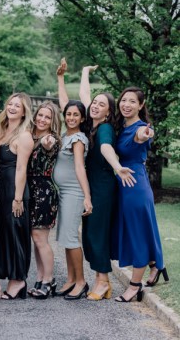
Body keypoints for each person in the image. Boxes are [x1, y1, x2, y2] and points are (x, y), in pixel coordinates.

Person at [57, 58, 134, 300]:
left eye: (101, 104)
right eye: (95, 103)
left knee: (96, 233)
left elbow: (105, 149)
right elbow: (76, 98)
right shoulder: (91, 122)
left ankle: (102, 281)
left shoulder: (104, 129)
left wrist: (117, 166)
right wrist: (83, 72)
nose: (95, 106)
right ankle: (102, 280)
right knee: (91, 232)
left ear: (109, 111)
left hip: (101, 187)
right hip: (92, 185)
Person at [112, 87, 168, 302]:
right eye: (123, 100)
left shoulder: (140, 128)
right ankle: (156, 265)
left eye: (132, 101)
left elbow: (142, 135)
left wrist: (145, 134)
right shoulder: (120, 126)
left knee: (138, 234)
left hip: (134, 186)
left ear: (141, 105)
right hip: (123, 186)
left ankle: (135, 286)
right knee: (143, 230)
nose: (126, 104)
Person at [0, 93, 34, 300]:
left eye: (17, 105)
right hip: (1, 191)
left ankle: (18, 280)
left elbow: (21, 169)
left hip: (14, 192)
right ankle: (12, 278)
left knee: (16, 236)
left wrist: (17, 199)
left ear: (24, 111)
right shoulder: (1, 130)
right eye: (10, 103)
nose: (12, 107)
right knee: (6, 235)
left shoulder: (24, 136)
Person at [52, 99, 91, 300]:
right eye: (68, 114)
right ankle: (70, 279)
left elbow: (78, 167)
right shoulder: (65, 135)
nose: (71, 118)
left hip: (74, 192)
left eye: (76, 115)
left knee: (71, 237)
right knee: (66, 238)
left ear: (82, 118)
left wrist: (87, 197)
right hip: (64, 192)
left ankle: (81, 282)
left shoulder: (78, 139)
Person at [27, 101, 61, 299]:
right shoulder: (31, 135)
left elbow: (49, 147)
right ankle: (41, 278)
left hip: (44, 191)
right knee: (36, 239)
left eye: (47, 117)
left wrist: (47, 144)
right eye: (40, 115)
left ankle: (48, 281)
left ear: (52, 121)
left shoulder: (50, 139)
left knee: (41, 239)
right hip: (31, 190)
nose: (42, 119)